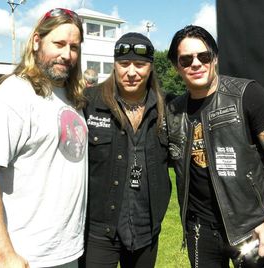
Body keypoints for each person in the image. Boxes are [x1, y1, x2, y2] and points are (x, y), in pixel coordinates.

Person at [166, 25, 264, 268]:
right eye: (186, 59)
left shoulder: (248, 94)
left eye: (203, 56)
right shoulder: (174, 112)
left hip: (250, 227)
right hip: (199, 230)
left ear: (215, 58)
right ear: (176, 66)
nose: (196, 64)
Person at [0, 8, 88, 268]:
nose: (67, 54)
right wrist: (5, 255)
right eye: (58, 43)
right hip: (27, 255)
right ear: (36, 41)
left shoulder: (71, 96)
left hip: (67, 251)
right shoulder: (14, 94)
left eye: (74, 47)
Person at [80, 32, 171, 268]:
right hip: (99, 230)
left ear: (150, 67)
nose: (131, 72)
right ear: (114, 65)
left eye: (140, 64)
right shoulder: (87, 103)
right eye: (124, 64)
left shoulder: (168, 108)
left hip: (146, 229)